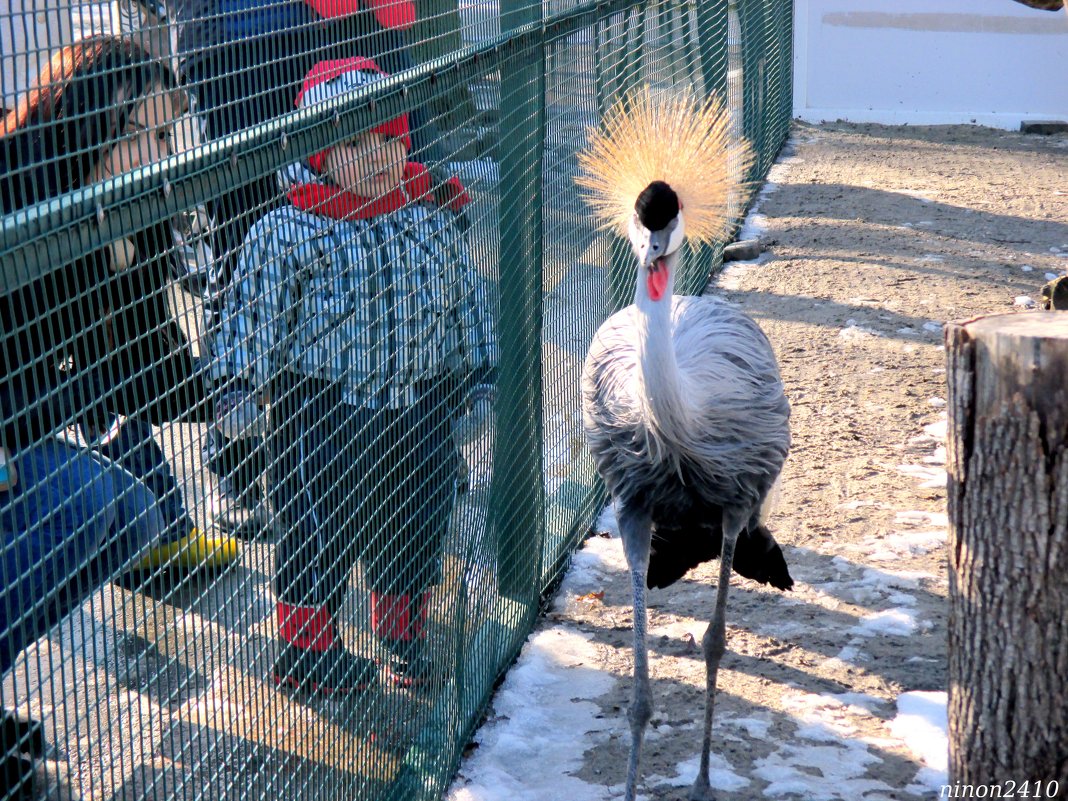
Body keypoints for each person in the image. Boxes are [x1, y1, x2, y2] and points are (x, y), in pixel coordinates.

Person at [210, 57, 495, 693]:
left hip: (419, 402)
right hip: (319, 406)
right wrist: (238, 387)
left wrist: (478, 370)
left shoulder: (427, 218)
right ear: (318, 154)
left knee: (416, 514)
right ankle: (308, 647)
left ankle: (401, 628)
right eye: (352, 144)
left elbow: (465, 300)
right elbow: (253, 313)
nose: (375, 158)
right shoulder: (287, 231)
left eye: (389, 141)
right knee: (316, 525)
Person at [0, 34, 230, 797]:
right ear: (98, 123)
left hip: (20, 428)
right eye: (153, 134)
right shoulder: (13, 189)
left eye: (172, 134)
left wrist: (225, 402)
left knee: (132, 514)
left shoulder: (127, 211)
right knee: (84, 502)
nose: (168, 153)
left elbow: (145, 356)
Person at [172, 0, 451, 538]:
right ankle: (239, 459)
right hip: (242, 33)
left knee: (399, 205)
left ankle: (420, 436)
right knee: (250, 238)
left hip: (365, 22)